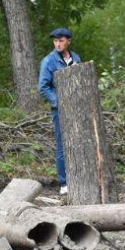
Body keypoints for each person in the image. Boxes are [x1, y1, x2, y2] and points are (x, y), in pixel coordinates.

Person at [38, 28, 81, 195]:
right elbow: (43, 87)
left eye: (61, 40)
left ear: (68, 41)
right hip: (60, 110)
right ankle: (64, 184)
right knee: (62, 145)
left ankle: (78, 178)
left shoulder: (76, 58)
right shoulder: (48, 61)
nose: (58, 43)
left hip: (78, 109)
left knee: (78, 143)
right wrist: (59, 102)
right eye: (55, 40)